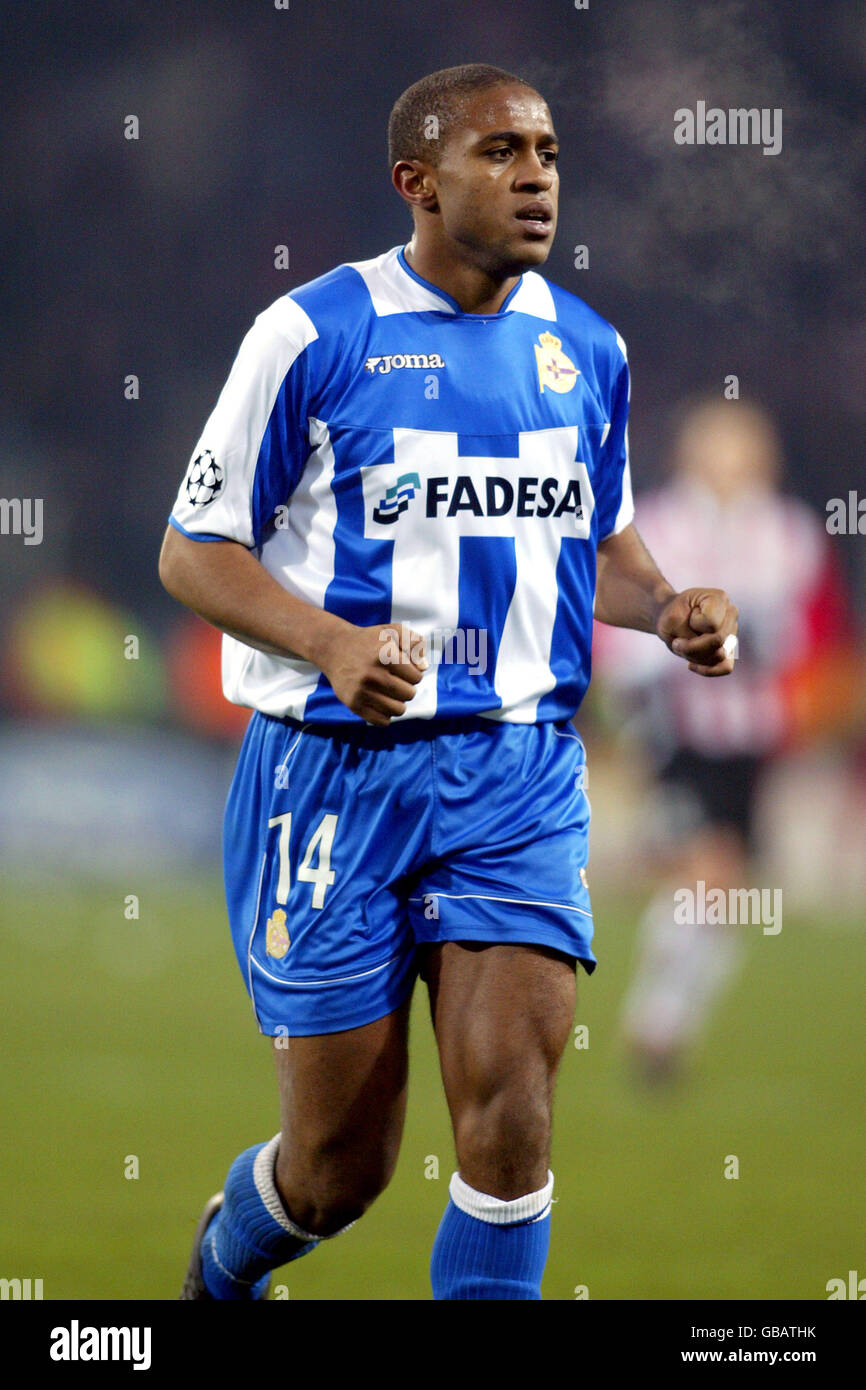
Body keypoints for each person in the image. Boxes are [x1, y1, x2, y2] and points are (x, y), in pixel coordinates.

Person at [159, 62, 738, 1302]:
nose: (536, 176)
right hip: (333, 777)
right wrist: (326, 641)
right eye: (500, 152)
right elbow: (193, 547)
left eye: (546, 151)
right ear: (414, 182)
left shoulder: (585, 348)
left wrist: (669, 606)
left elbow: (594, 548)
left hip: (518, 771)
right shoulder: (312, 334)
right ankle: (225, 1263)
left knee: (510, 1127)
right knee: (336, 1171)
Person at [591, 397, 852, 1081]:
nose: (734, 465)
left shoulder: (790, 531)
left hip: (753, 738)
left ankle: (664, 1021)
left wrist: (775, 654)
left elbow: (815, 630)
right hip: (680, 731)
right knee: (707, 871)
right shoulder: (659, 524)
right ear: (693, 454)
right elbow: (623, 627)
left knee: (725, 889)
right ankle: (657, 1029)